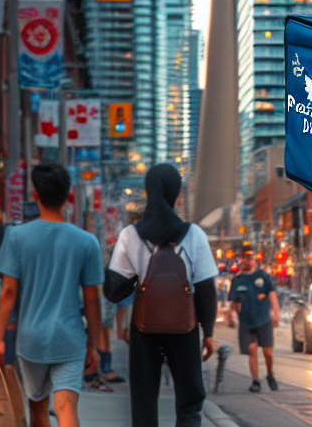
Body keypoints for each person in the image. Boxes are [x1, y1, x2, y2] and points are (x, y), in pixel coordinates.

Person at [104, 164, 219, 427]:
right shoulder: (194, 235)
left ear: (148, 193)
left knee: (143, 405)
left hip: (144, 331)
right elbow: (206, 290)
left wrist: (136, 273)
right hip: (185, 328)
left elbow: (113, 291)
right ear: (176, 195)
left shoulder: (130, 236)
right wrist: (208, 332)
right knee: (190, 404)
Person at [0, 162, 104, 427]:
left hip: (31, 341)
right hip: (70, 339)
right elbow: (91, 299)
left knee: (38, 410)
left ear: (36, 196)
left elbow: (8, 292)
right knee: (66, 407)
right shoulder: (87, 242)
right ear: (68, 196)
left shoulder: (17, 237)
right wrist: (93, 345)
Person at [229, 248, 279, 392]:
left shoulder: (263, 276)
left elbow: (272, 294)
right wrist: (232, 314)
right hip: (246, 321)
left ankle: (270, 374)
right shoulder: (237, 280)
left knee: (268, 353)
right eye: (243, 258)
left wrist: (276, 313)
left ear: (253, 260)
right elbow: (233, 301)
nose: (245, 260)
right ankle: (256, 381)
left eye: (248, 258)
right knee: (252, 349)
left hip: (263, 319)